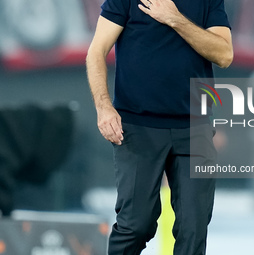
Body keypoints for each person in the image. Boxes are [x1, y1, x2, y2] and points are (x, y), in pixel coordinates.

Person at [86, 0, 233, 254]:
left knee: (194, 228)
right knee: (136, 225)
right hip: (137, 125)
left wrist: (174, 18)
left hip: (194, 128)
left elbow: (224, 54)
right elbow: (96, 51)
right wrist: (103, 107)